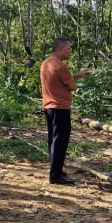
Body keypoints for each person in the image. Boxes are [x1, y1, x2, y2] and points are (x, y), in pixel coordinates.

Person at [39, 38, 91, 185]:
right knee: (60, 141)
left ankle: (56, 169)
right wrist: (76, 80)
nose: (70, 52)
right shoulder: (61, 66)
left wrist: (78, 75)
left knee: (53, 140)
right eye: (68, 49)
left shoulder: (47, 63)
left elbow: (63, 82)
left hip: (49, 107)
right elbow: (73, 87)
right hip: (60, 108)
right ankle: (55, 176)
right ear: (60, 49)